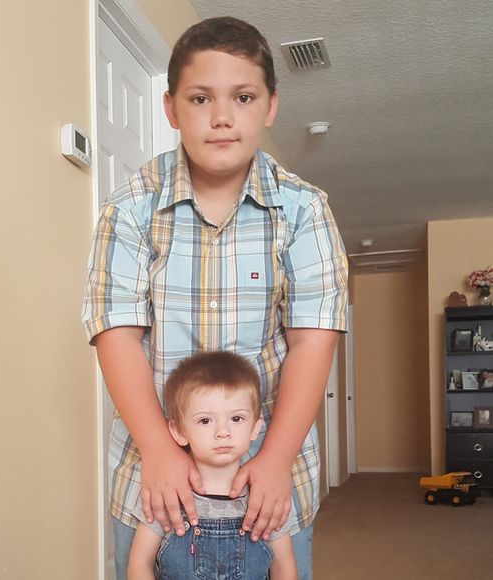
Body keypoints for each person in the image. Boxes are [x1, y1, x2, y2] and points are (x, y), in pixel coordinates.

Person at [82, 16, 348, 580]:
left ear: (270, 106)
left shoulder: (305, 211)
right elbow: (116, 334)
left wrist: (274, 458)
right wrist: (159, 450)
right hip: (153, 479)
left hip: (270, 479)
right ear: (171, 109)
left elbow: (312, 343)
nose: (222, 117)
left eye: (243, 97)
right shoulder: (128, 208)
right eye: (200, 98)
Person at [128, 351, 298, 579]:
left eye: (236, 418)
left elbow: (283, 567)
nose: (223, 432)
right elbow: (140, 563)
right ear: (179, 431)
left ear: (255, 427)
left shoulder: (267, 497)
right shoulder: (167, 495)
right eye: (205, 420)